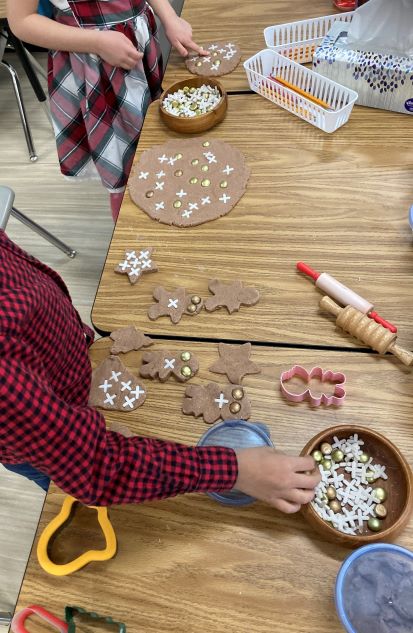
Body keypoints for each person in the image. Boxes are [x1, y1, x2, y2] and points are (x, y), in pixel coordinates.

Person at [0, 230, 320, 513]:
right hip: (54, 441)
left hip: (68, 368)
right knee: (70, 500)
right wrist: (237, 471)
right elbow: (96, 468)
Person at [7, 0, 208, 221]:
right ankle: (132, 224)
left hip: (141, 46)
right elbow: (21, 22)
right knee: (125, 161)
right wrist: (97, 42)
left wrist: (169, 16)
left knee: (156, 135)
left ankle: (174, 192)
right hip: (96, 66)